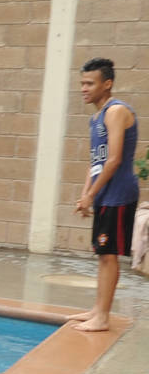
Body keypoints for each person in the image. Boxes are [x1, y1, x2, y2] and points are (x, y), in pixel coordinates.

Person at [67, 57, 141, 332]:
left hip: (119, 194)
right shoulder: (95, 117)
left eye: (90, 83)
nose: (83, 89)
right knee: (102, 254)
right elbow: (95, 162)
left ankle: (103, 317)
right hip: (104, 194)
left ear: (107, 84)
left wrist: (92, 194)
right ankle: (97, 310)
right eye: (82, 83)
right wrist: (86, 195)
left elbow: (114, 160)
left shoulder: (116, 111)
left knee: (109, 255)